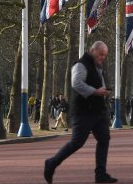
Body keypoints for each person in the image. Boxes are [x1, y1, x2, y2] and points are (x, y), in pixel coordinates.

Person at [44, 41, 117, 184]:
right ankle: (51, 163)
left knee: (104, 139)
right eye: (101, 54)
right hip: (83, 112)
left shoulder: (98, 67)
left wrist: (104, 90)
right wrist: (96, 91)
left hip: (98, 111)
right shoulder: (80, 64)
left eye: (105, 55)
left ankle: (100, 174)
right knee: (77, 143)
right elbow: (76, 83)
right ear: (93, 51)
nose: (103, 57)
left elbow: (97, 83)